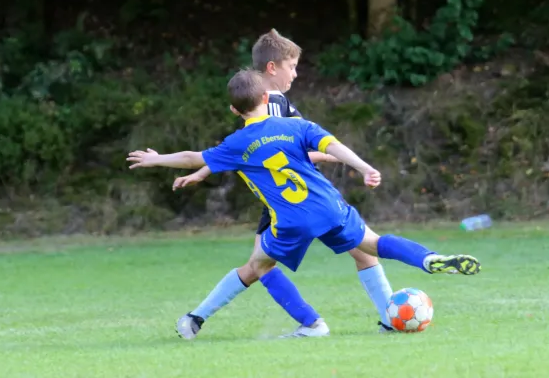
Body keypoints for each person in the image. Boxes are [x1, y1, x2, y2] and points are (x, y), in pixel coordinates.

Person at [127, 69, 482, 338]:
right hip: (329, 206)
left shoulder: (236, 143)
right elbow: (333, 147)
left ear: (234, 110)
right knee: (373, 244)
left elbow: (193, 157)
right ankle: (427, 258)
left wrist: (157, 160)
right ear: (268, 98)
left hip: (291, 220)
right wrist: (363, 167)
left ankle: (208, 319)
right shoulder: (297, 127)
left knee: (258, 267)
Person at [171, 29, 394, 338]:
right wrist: (334, 154)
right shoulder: (273, 104)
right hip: (290, 199)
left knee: (259, 265)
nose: (296, 73)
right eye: (292, 66)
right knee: (264, 265)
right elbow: (272, 152)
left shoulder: (276, 103)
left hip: (292, 198)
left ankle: (197, 318)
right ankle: (356, 320)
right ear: (272, 69)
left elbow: (258, 149)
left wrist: (203, 170)